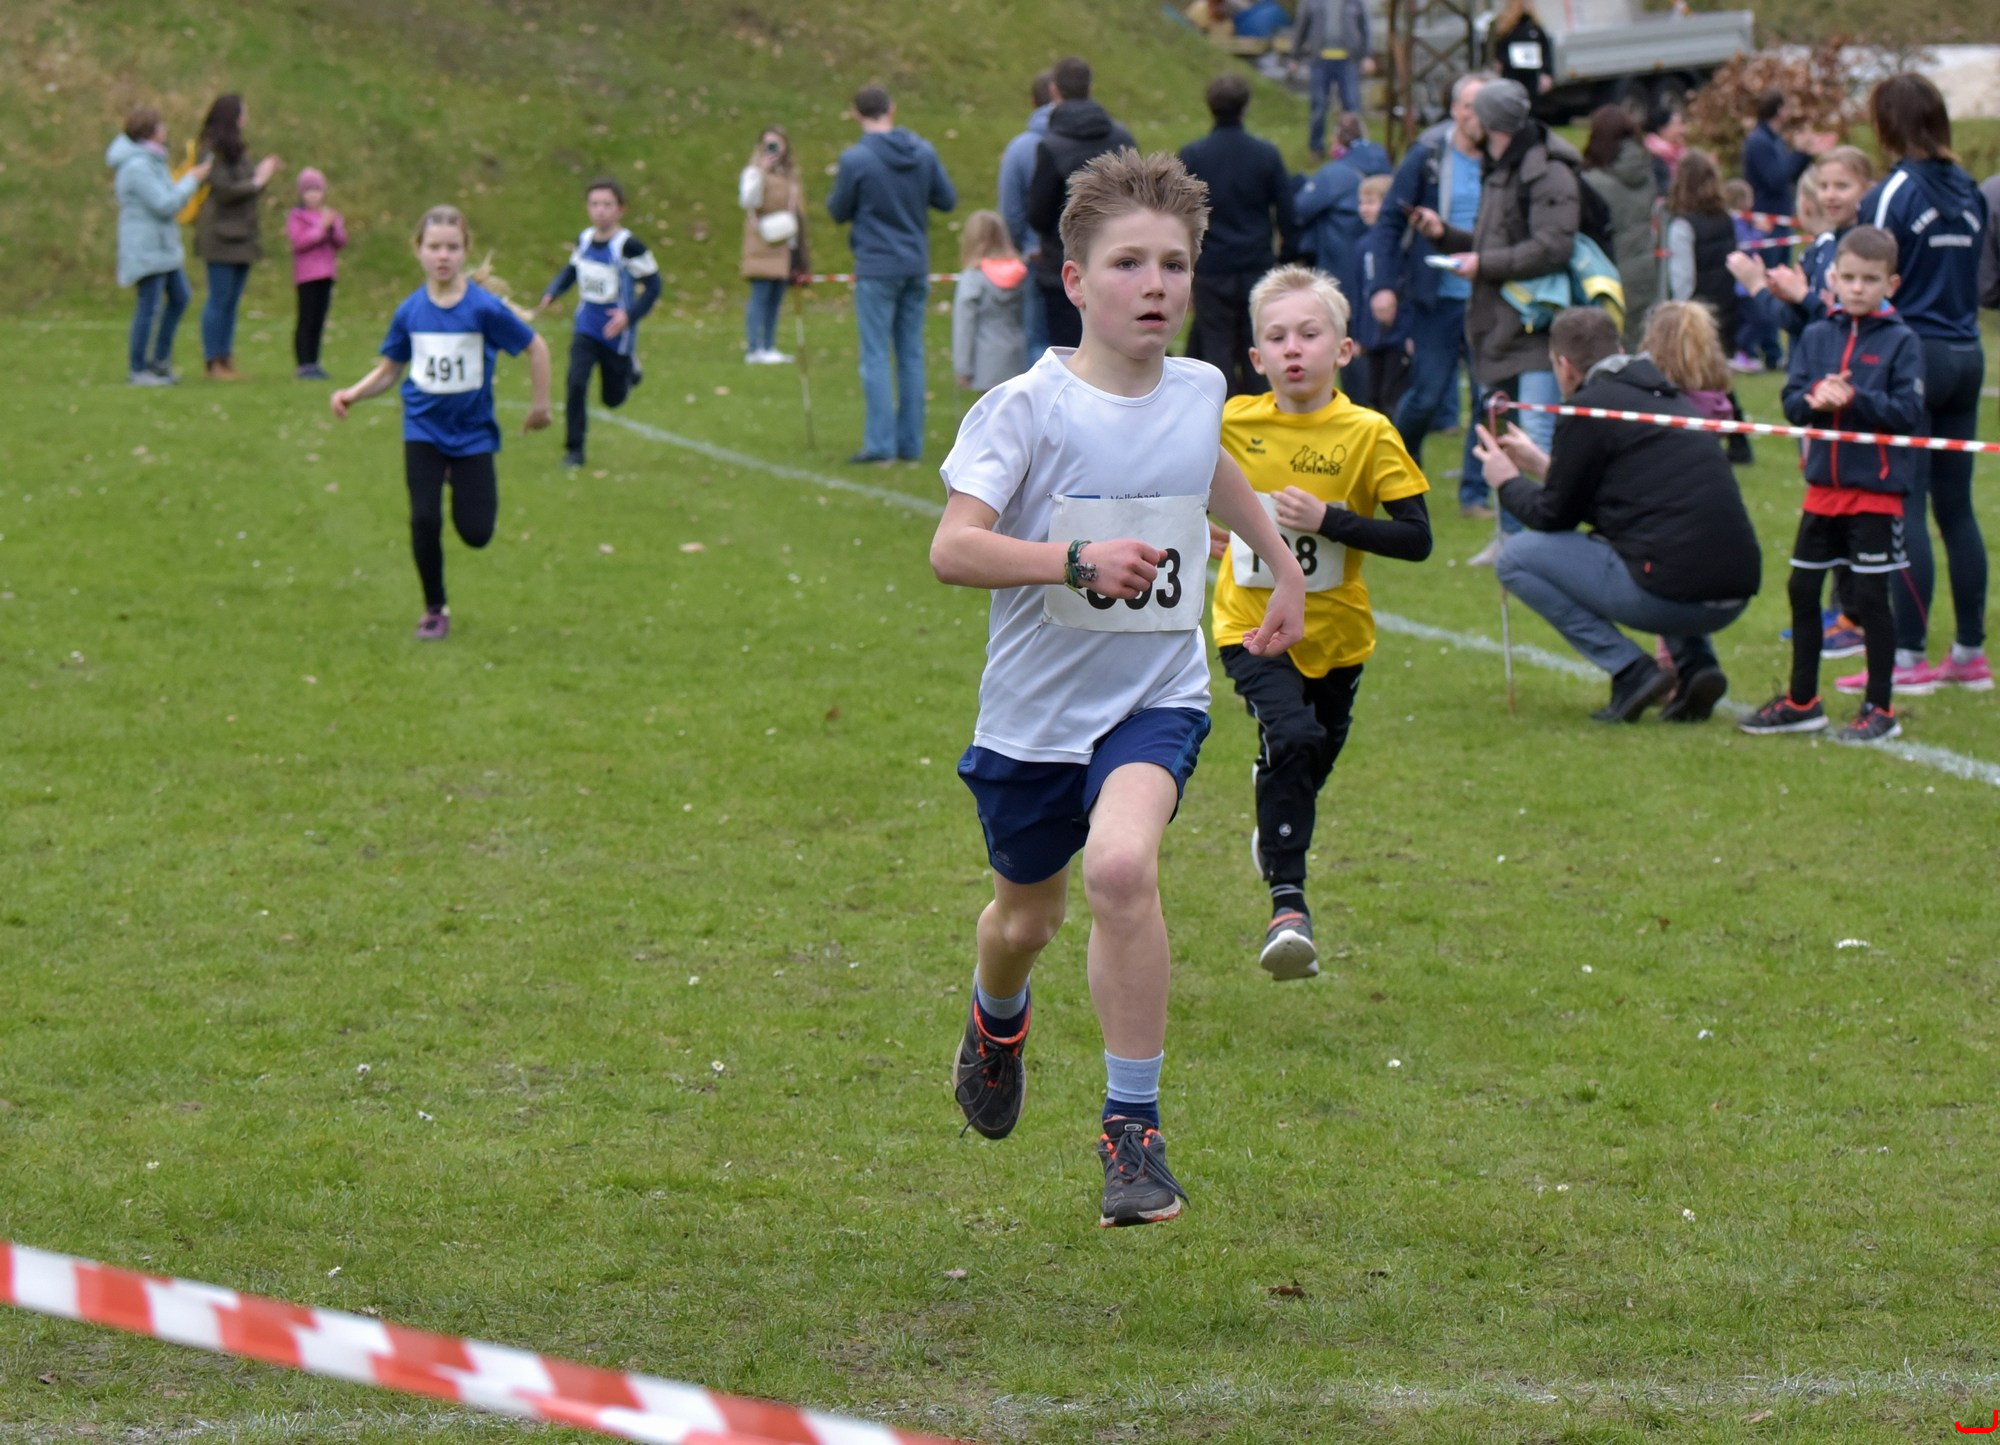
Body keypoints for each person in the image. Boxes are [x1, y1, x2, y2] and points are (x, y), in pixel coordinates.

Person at [931, 149, 1306, 1229]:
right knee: (1023, 918)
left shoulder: (1199, 389)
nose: (1156, 285)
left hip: (1154, 696)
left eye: (1174, 264)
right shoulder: (1023, 409)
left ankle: (1131, 1131)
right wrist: (1073, 560)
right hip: (1031, 722)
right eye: (1129, 263)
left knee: (1123, 867)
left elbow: (1206, 468)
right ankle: (996, 1017)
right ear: (1074, 280)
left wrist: (1279, 562)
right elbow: (953, 548)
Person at [1209, 265, 1429, 979]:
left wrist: (1330, 520)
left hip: (1338, 636)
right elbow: (1162, 482)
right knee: (1294, 737)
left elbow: (1417, 538)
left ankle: (1275, 804)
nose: (1293, 348)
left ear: (1343, 349)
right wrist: (1192, 527)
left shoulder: (1368, 433)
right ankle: (1288, 908)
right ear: (1256, 356)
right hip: (1250, 624)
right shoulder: (1229, 423)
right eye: (1277, 337)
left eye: (1309, 334)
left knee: (1305, 759)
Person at [1475, 306, 1762, 723]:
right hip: (1735, 591)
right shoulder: (1668, 395)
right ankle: (1696, 664)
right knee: (1660, 539)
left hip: (1671, 595)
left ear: (1564, 366)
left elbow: (1553, 517)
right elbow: (1619, 502)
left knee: (1516, 557)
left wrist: (1506, 482)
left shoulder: (1588, 409)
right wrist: (1540, 464)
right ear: (1621, 351)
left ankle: (1632, 671)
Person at [330, 206, 552, 641]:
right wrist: (353, 393)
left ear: (465, 250)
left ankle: (460, 479)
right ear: (418, 250)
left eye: (452, 247)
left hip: (472, 433)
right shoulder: (410, 311)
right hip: (423, 430)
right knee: (424, 519)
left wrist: (540, 407)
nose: (443, 256)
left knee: (476, 533)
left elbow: (537, 347)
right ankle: (434, 608)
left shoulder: (483, 309)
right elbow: (391, 369)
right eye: (434, 247)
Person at [1742, 225, 1927, 745]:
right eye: (1848, 278)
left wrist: (1855, 400)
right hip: (1823, 489)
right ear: (1833, 280)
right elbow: (1792, 403)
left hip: (1876, 492)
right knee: (1802, 589)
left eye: (1870, 279)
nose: (1857, 288)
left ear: (1891, 284)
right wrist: (1814, 400)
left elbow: (1908, 412)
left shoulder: (1902, 341)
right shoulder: (1818, 335)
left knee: (1869, 599)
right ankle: (1803, 701)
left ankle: (1880, 708)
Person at [1850, 73, 1990, 695]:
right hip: (1966, 351)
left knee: (1904, 504)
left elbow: (1868, 271)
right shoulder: (1969, 188)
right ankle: (1969, 653)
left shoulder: (1892, 193)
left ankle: (1908, 658)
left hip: (1913, 355)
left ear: (1887, 123)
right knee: (1956, 507)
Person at [1411, 77, 1578, 556]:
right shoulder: (1502, 168)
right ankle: (1510, 541)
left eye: (1474, 112)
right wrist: (1446, 237)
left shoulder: (1548, 172)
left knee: (1536, 440)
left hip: (1537, 328)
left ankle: (1539, 546)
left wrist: (1483, 264)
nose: (1466, 120)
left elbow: (1553, 246)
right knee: (1502, 438)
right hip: (1498, 329)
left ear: (1491, 122)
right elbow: (1499, 245)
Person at [1365, 73, 1485, 497]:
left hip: (1489, 297)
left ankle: (1475, 492)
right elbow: (1389, 221)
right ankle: (1401, 465)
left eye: (1483, 106)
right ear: (1455, 109)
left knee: (1487, 400)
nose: (1476, 115)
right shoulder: (1429, 155)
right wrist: (1383, 286)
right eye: (1469, 105)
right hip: (1437, 297)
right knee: (1427, 396)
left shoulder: (1503, 156)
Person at [827, 85, 957, 465]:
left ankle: (881, 445)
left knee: (875, 355)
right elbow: (946, 199)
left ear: (856, 113)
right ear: (892, 109)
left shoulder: (856, 159)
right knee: (911, 353)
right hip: (915, 263)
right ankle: (910, 445)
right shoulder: (923, 151)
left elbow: (838, 210)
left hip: (877, 264)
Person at [1177, 73, 1296, 397]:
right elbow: (1286, 212)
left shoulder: (1193, 156)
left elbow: (1180, 216)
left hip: (1212, 267)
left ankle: (1222, 411)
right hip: (1256, 264)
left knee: (1216, 345)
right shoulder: (1265, 154)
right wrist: (1286, 256)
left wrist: (1184, 263)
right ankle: (1259, 409)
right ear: (1246, 106)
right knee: (1256, 342)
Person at [538, 177, 663, 469]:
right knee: (575, 383)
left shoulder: (628, 246)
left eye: (607, 204)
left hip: (615, 332)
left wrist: (628, 317)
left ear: (620, 209)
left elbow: (654, 285)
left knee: (613, 399)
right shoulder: (584, 239)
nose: (600, 210)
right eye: (594, 204)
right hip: (586, 326)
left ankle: (630, 369)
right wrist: (553, 292)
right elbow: (571, 270)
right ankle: (574, 451)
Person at [1025, 58, 1136, 351]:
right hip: (1119, 260)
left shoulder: (1051, 146)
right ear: (1091, 88)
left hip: (1064, 265)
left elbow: (1038, 215)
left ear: (1054, 90)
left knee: (1071, 354)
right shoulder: (1122, 139)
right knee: (1118, 349)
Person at [106, 106, 209, 386]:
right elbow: (164, 204)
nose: (165, 130)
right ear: (149, 132)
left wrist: (187, 181)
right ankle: (138, 369)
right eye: (161, 126)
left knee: (180, 296)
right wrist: (191, 181)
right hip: (145, 248)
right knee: (148, 307)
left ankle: (160, 361)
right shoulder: (137, 167)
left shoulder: (153, 161)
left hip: (162, 247)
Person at [1663, 151, 1751, 463]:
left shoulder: (1683, 225)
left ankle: (1726, 439)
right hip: (1725, 305)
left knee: (1694, 376)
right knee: (1717, 374)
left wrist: (1677, 311)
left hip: (1697, 310)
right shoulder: (1725, 219)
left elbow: (1683, 277)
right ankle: (1737, 438)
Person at [192, 95, 280, 381]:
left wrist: (259, 176)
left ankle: (226, 357)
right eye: (243, 112)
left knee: (232, 301)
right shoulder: (210, 150)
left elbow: (244, 185)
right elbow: (224, 190)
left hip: (243, 234)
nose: (246, 118)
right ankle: (213, 361)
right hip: (220, 235)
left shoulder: (237, 149)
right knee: (219, 299)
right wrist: (257, 181)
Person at [1579, 103, 1659, 350]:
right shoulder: (1647, 171)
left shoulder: (1591, 182)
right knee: (1642, 340)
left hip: (1608, 272)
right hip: (1647, 268)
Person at [997, 71, 1056, 366]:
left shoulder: (1020, 148)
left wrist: (1024, 244)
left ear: (1032, 101)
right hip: (1088, 255)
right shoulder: (1097, 140)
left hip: (1038, 256)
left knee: (1038, 340)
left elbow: (1011, 210)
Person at [736, 127, 807, 366]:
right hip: (762, 239)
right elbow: (748, 200)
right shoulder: (753, 172)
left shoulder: (789, 175)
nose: (773, 149)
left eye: (777, 144)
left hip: (783, 239)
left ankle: (769, 345)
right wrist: (760, 172)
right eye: (768, 144)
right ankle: (754, 347)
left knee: (777, 295)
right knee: (761, 294)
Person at [1350, 175, 1411, 413]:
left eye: (1371, 202)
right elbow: (1358, 293)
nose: (1364, 209)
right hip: (1370, 334)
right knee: (1373, 396)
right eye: (1362, 202)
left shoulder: (1402, 244)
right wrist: (1358, 334)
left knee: (1393, 395)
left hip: (1398, 335)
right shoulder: (1362, 245)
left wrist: (1410, 333)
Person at [951, 210, 1029, 393]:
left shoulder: (974, 277)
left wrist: (963, 367)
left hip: (985, 362)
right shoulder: (1020, 273)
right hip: (1019, 357)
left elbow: (965, 325)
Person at [1290, 0, 1373, 160]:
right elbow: (1301, 26)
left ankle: (1356, 149)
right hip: (1319, 61)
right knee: (1319, 107)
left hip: (1348, 61)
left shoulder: (1356, 2)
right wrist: (1295, 56)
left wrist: (1367, 55)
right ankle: (1316, 148)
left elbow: (1365, 27)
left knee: (1351, 106)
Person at [286, 167, 346, 381]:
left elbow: (341, 241)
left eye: (317, 190)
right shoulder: (297, 217)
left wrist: (332, 228)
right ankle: (303, 363)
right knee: (307, 318)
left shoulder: (329, 215)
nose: (313, 196)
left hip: (326, 274)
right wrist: (320, 228)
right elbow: (299, 242)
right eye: (308, 191)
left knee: (320, 319)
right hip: (307, 276)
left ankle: (315, 361)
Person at [1722, 177, 1781, 373]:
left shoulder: (1742, 220)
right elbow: (1746, 244)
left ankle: (1748, 353)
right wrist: (1760, 232)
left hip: (1743, 284)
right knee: (1758, 319)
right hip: (1742, 285)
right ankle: (1741, 350)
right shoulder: (1735, 221)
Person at [1490, 1, 1555, 99]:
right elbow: (1499, 49)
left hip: (1531, 74)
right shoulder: (1508, 28)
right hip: (1512, 73)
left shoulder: (1534, 27)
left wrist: (1546, 73)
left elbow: (1545, 51)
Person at [1642, 104, 1687, 190]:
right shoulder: (1652, 156)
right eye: (1678, 125)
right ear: (1662, 129)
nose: (1683, 130)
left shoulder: (1679, 152)